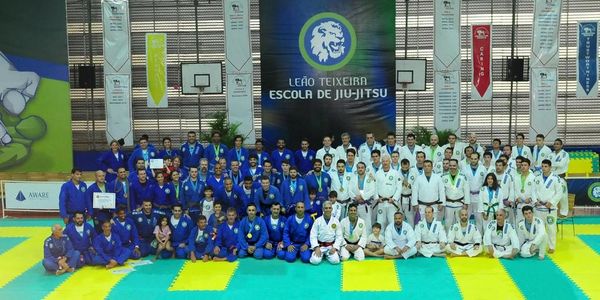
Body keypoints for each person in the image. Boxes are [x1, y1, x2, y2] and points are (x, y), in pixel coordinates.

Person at [534, 159, 561, 253]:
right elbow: (533, 191)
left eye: (546, 166)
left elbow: (559, 193)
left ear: (550, 167)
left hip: (550, 208)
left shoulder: (556, 178)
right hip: (539, 207)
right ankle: (537, 245)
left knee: (551, 228)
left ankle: (551, 246)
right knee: (538, 228)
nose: (544, 168)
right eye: (542, 166)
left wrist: (552, 202)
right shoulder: (537, 177)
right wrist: (535, 200)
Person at [374, 154, 401, 230]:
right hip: (381, 201)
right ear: (381, 162)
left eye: (387, 161)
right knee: (380, 222)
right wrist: (377, 198)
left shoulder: (395, 173)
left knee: (392, 221)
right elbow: (374, 187)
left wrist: (394, 198)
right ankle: (381, 240)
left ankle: (392, 239)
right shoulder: (378, 173)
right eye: (383, 161)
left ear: (390, 162)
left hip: (391, 201)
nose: (385, 163)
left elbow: (399, 188)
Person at [442, 159, 470, 230]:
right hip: (448, 203)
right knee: (448, 223)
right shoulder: (444, 176)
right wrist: (442, 203)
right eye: (450, 165)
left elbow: (466, 190)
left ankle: (459, 239)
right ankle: (448, 239)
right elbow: (441, 191)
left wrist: (466, 203)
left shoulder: (463, 176)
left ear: (457, 166)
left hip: (460, 203)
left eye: (454, 165)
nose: (452, 167)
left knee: (460, 222)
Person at [348, 162, 376, 233]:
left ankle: (366, 241)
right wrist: (355, 197)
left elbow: (372, 190)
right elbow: (349, 190)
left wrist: (362, 196)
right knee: (355, 223)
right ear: (357, 169)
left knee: (367, 224)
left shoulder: (369, 178)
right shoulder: (353, 178)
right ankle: (356, 239)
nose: (360, 169)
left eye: (362, 167)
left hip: (365, 205)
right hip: (355, 204)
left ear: (365, 169)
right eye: (359, 168)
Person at [462, 152, 486, 231]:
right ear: (469, 159)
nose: (473, 160)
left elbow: (485, 183)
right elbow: (462, 183)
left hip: (479, 196)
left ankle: (479, 237)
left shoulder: (483, 169)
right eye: (472, 158)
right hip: (468, 196)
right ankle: (466, 236)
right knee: (466, 217)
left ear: (478, 159)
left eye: (475, 159)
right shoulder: (465, 168)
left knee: (479, 218)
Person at [548, 138, 570, 217]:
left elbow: (561, 164)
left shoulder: (565, 154)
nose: (556, 145)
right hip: (552, 178)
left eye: (558, 144)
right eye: (555, 144)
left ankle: (564, 212)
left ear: (561, 145)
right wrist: (555, 164)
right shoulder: (551, 154)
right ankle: (553, 211)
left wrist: (552, 164)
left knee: (563, 196)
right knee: (553, 195)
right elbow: (547, 164)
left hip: (560, 177)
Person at [514, 158, 537, 224]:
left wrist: (530, 198)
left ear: (529, 166)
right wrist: (517, 198)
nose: (523, 167)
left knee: (530, 223)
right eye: (522, 165)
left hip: (529, 203)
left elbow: (535, 191)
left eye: (525, 165)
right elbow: (514, 190)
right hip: (519, 203)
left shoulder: (533, 177)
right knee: (519, 223)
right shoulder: (516, 177)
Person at [495, 160, 516, 224]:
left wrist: (510, 201)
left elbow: (512, 189)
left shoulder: (508, 176)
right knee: (495, 222)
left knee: (507, 222)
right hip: (494, 203)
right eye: (497, 165)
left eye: (500, 165)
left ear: (504, 167)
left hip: (505, 203)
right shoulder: (492, 176)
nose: (498, 167)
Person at [398, 159, 418, 226]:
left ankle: (411, 234)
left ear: (409, 166)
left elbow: (416, 187)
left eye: (406, 167)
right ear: (401, 166)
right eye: (403, 167)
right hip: (400, 199)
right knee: (400, 218)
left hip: (410, 198)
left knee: (410, 219)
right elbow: (394, 187)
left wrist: (409, 185)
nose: (405, 169)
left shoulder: (414, 173)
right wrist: (401, 184)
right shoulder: (397, 173)